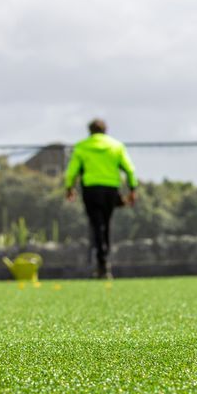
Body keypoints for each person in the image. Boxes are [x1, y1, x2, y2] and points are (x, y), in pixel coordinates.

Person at [65, 119, 139, 279]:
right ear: (105, 130)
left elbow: (72, 171)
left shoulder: (82, 146)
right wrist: (133, 189)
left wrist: (69, 187)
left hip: (91, 189)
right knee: (105, 224)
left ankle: (102, 263)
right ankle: (104, 262)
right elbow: (130, 169)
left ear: (90, 131)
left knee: (97, 225)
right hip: (110, 190)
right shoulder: (116, 146)